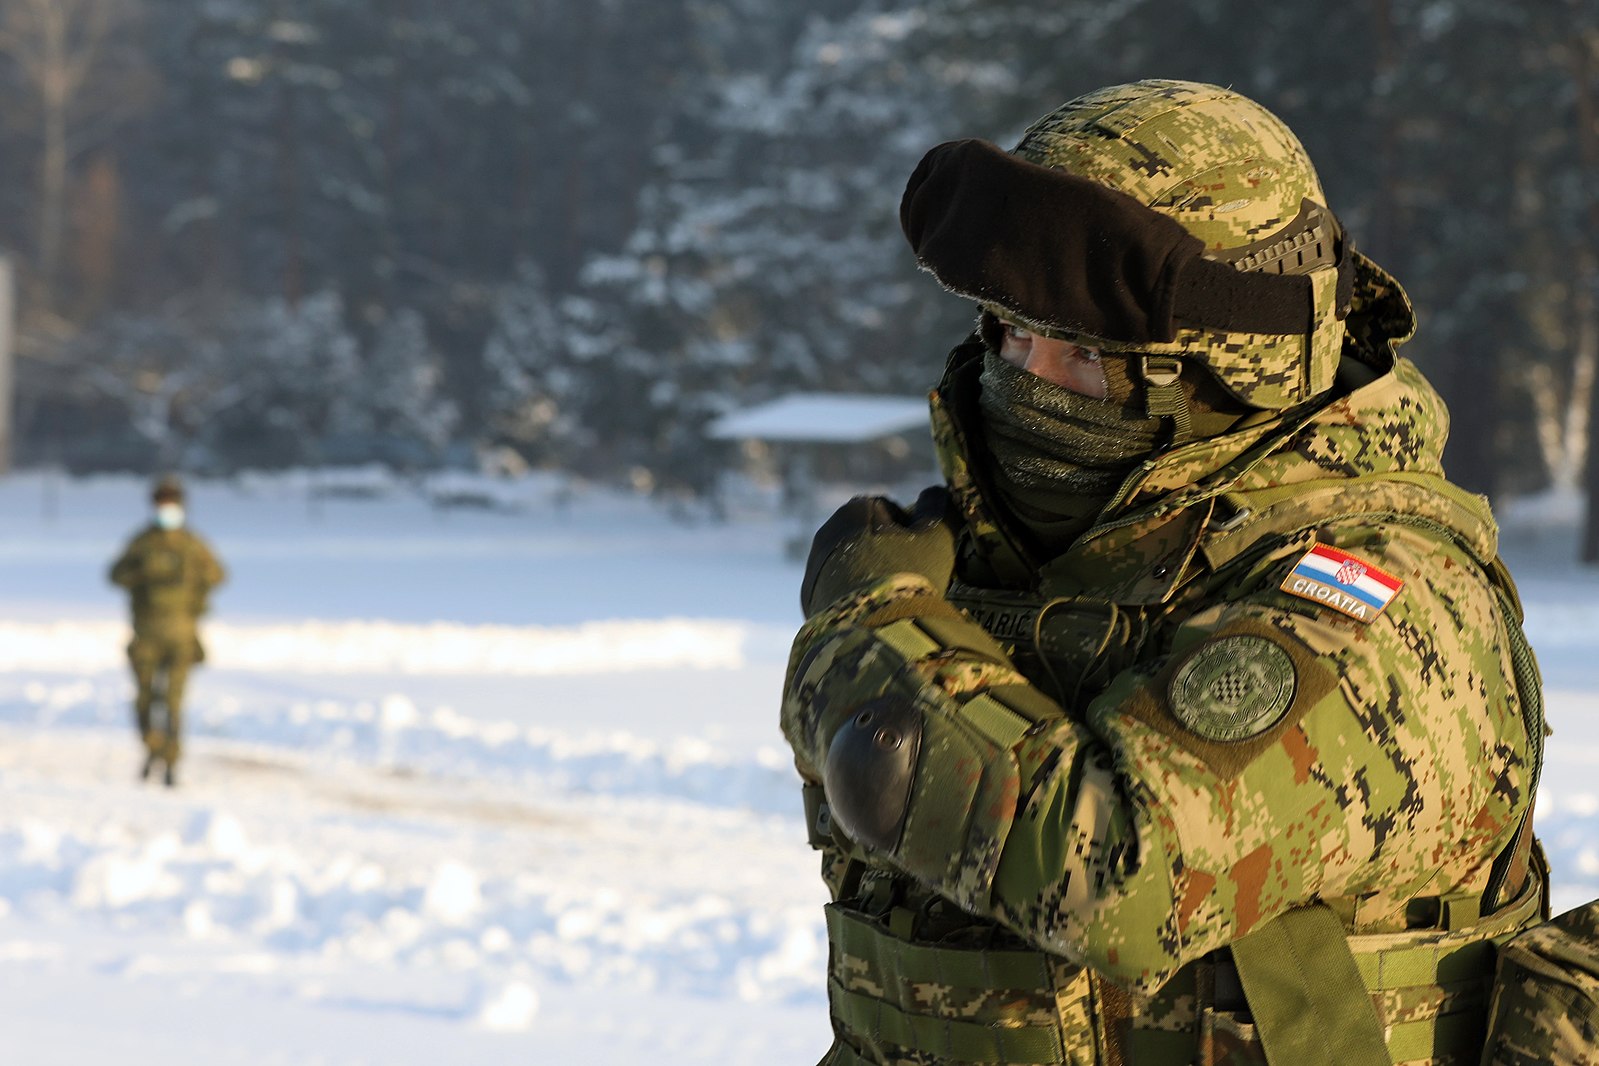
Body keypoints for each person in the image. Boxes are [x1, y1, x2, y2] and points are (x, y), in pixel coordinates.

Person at [781, 80, 1546, 1065]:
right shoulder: (1034, 556)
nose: (1027, 380)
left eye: (1085, 356)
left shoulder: (1384, 593)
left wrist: (870, 636)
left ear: (1230, 364)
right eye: (1010, 332)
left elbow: (1120, 876)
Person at [109, 474, 226, 787]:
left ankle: (171, 761)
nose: (168, 510)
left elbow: (217, 575)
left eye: (172, 504)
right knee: (146, 699)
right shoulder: (142, 543)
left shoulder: (192, 544)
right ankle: (152, 749)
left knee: (173, 701)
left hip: (181, 636)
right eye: (163, 504)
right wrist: (141, 574)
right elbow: (114, 575)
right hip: (146, 635)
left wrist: (194, 594)